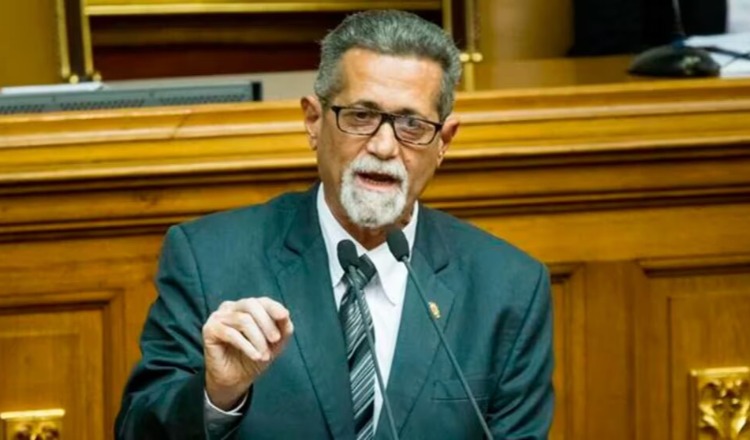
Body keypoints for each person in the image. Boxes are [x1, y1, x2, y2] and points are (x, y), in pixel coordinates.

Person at [115, 10, 553, 440]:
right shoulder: (208, 260)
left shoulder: (509, 288)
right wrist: (218, 395)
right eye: (361, 115)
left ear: (443, 142)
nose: (384, 146)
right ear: (313, 121)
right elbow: (138, 431)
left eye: (411, 124)